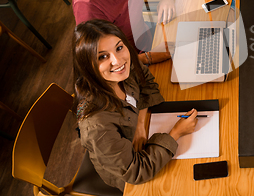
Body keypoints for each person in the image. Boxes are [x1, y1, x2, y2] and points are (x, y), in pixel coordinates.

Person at [73, 19, 198, 191]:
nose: (118, 61)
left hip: (133, 143)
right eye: (103, 56)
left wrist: (140, 124)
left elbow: (146, 82)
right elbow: (137, 172)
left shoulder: (126, 66)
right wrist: (176, 133)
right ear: (87, 65)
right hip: (126, 175)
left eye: (119, 47)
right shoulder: (97, 127)